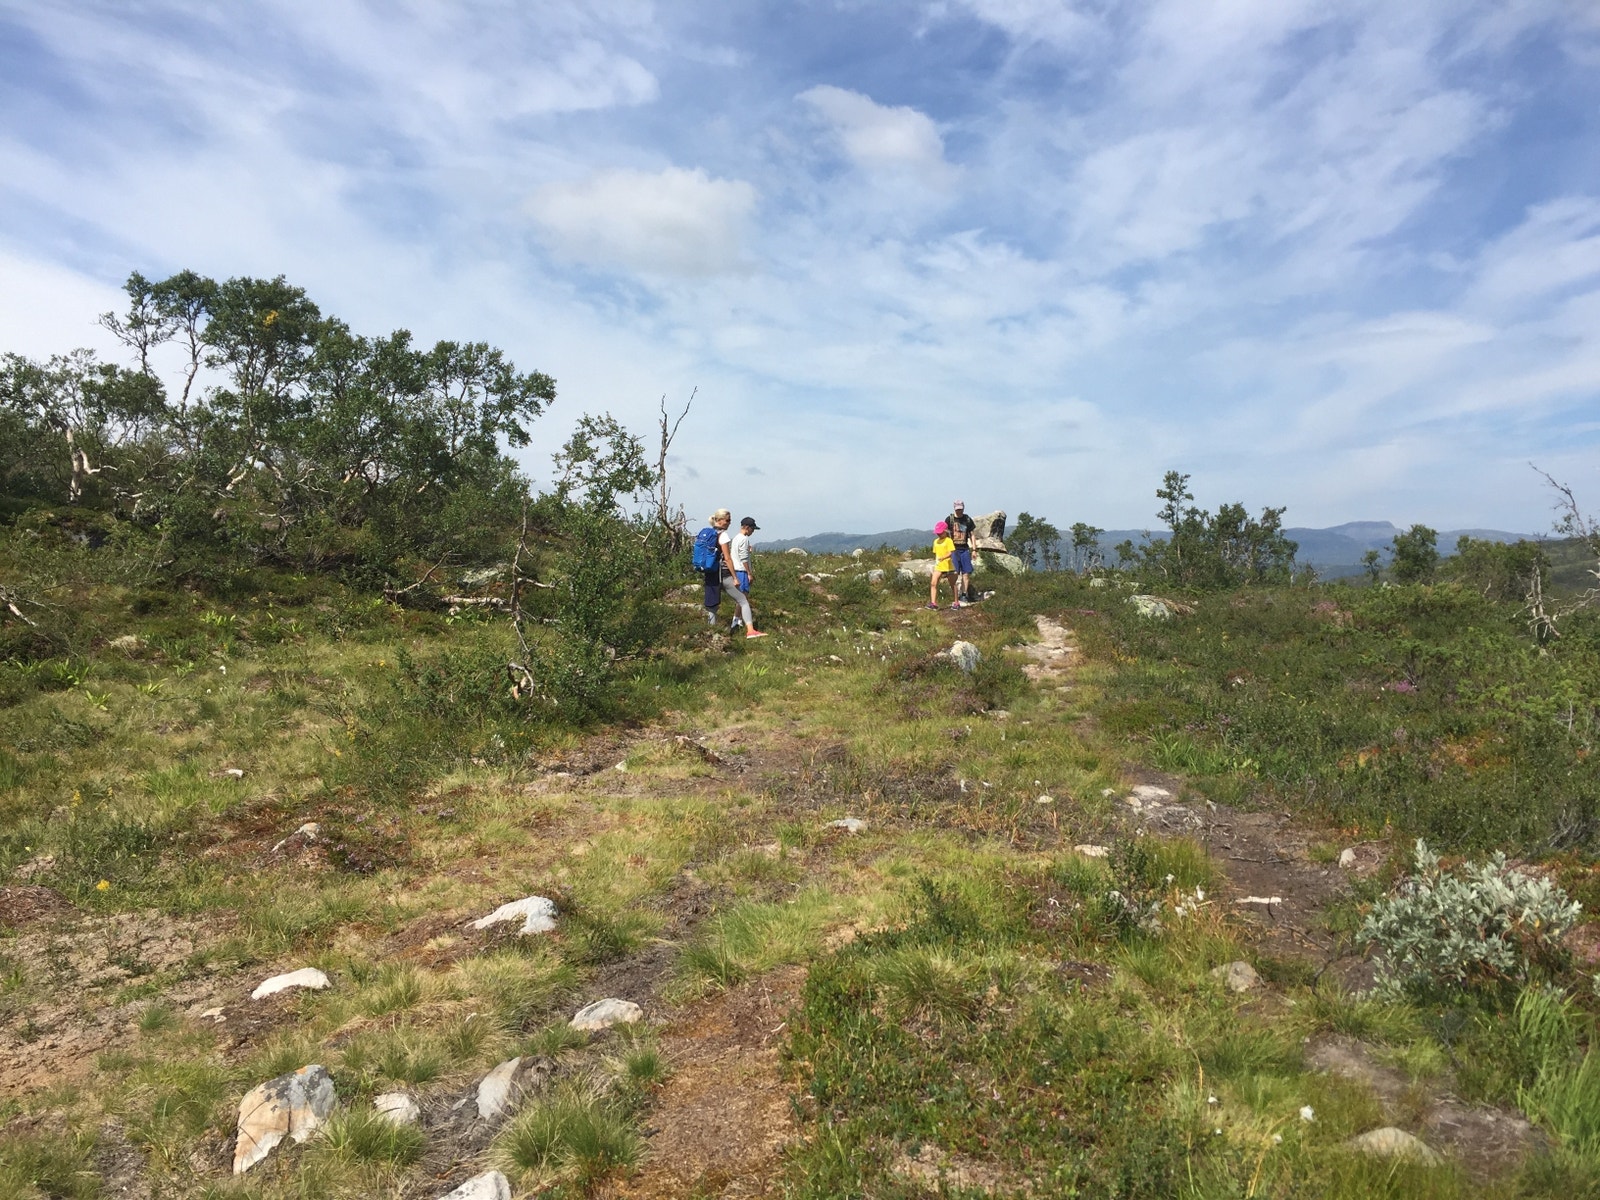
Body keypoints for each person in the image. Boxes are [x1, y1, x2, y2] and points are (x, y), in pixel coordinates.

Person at [720, 514, 766, 639]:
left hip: (736, 569)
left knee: (741, 598)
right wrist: (749, 573)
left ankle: (737, 620)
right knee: (743, 598)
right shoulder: (744, 539)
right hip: (742, 571)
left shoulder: (736, 538)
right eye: (752, 529)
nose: (752, 532)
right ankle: (740, 623)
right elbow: (744, 558)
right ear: (747, 527)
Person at [696, 510, 733, 625]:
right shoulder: (723, 535)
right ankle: (712, 627)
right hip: (718, 570)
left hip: (708, 567)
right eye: (727, 520)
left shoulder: (709, 533)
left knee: (710, 597)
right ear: (719, 520)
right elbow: (727, 558)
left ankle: (710, 625)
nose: (729, 523)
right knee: (741, 598)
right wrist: (735, 576)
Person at [944, 500, 977, 606]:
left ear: (963, 508)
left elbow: (972, 535)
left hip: (965, 549)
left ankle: (964, 594)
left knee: (966, 573)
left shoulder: (967, 519)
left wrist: (974, 549)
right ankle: (955, 594)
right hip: (953, 549)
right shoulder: (949, 519)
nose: (959, 511)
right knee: (954, 573)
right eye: (957, 509)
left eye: (961, 509)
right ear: (954, 508)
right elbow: (944, 534)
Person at [929, 520, 955, 609]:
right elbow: (936, 554)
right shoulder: (935, 541)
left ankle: (956, 602)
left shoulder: (948, 541)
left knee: (952, 585)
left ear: (945, 531)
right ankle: (933, 603)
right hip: (939, 566)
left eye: (940, 533)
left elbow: (951, 552)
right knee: (933, 583)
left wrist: (944, 557)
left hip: (949, 565)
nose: (938, 534)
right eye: (937, 533)